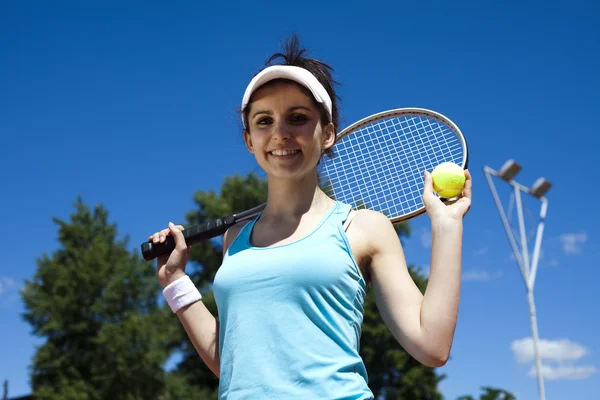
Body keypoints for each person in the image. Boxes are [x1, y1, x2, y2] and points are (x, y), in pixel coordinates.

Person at [149, 35, 472, 399]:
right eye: (264, 121)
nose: (280, 133)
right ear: (249, 140)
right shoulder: (234, 239)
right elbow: (235, 366)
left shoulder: (363, 227)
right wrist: (175, 281)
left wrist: (447, 226)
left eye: (298, 118)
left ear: (328, 133)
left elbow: (432, 346)